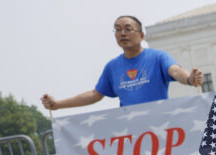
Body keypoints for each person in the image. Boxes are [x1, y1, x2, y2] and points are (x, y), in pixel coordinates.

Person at [41, 15, 203, 110]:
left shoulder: (158, 57)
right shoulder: (112, 67)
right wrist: (58, 104)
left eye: (127, 29)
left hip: (161, 124)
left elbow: (175, 71)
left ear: (141, 35)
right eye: (118, 30)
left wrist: (190, 79)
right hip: (130, 132)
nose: (122, 33)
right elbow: (94, 95)